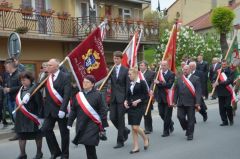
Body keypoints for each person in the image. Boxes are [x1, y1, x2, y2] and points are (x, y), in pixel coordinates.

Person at [23, 59, 71, 159]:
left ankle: (65, 154)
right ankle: (55, 151)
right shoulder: (46, 76)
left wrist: (63, 109)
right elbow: (37, 85)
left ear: (56, 67)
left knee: (64, 133)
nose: (47, 67)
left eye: (49, 65)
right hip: (49, 109)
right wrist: (28, 94)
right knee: (45, 129)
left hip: (61, 109)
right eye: (47, 65)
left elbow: (67, 94)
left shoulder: (65, 76)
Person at [68, 75, 108, 159]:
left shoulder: (98, 95)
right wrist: (70, 122)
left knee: (90, 146)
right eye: (83, 82)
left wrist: (103, 126)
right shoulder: (78, 95)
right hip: (81, 124)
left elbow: (103, 110)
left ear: (92, 84)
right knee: (88, 147)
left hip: (93, 124)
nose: (84, 84)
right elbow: (73, 110)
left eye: (87, 82)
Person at [15, 71, 43, 159]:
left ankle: (39, 153)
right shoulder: (21, 89)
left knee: (37, 136)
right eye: (21, 80)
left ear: (30, 79)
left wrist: (40, 116)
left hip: (32, 116)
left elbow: (39, 103)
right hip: (21, 117)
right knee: (21, 136)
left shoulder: (35, 89)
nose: (23, 81)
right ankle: (22, 154)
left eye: (24, 79)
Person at [124, 68, 149, 154]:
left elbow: (146, 96)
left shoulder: (141, 83)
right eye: (128, 74)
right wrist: (125, 102)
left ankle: (145, 138)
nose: (129, 76)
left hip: (139, 107)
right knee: (133, 128)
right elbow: (127, 95)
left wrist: (138, 101)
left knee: (135, 127)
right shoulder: (130, 83)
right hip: (131, 107)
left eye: (130, 74)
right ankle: (136, 147)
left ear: (135, 74)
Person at [173, 65, 201, 140]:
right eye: (184, 69)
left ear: (190, 70)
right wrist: (174, 101)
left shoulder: (196, 79)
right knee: (180, 116)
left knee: (191, 119)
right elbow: (176, 91)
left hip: (191, 103)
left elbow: (198, 92)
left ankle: (190, 134)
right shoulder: (179, 79)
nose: (185, 71)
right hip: (181, 102)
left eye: (187, 69)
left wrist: (197, 102)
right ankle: (187, 128)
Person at [109, 51, 130, 148]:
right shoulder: (111, 69)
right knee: (112, 118)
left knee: (120, 120)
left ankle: (120, 141)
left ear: (121, 59)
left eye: (117, 58)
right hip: (113, 98)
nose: (115, 60)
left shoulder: (125, 70)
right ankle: (125, 130)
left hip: (122, 99)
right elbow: (106, 81)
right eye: (114, 58)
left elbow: (127, 86)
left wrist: (126, 99)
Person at [154, 61, 175, 137]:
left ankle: (166, 132)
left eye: (164, 65)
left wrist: (159, 83)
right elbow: (154, 84)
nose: (162, 67)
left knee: (167, 115)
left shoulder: (171, 74)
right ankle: (170, 123)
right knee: (161, 114)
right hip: (160, 97)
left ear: (168, 66)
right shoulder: (158, 74)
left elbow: (169, 85)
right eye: (161, 65)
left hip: (168, 97)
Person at [212, 60, 234, 126]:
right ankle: (224, 121)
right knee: (221, 108)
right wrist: (213, 83)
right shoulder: (218, 71)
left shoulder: (231, 71)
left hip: (228, 92)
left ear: (227, 64)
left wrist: (219, 83)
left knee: (228, 106)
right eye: (222, 64)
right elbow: (214, 78)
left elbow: (229, 81)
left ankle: (231, 119)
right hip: (220, 92)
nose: (223, 65)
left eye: (224, 64)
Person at [139, 61, 155, 134]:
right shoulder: (138, 74)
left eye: (142, 65)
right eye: (140, 65)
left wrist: (151, 89)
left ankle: (148, 128)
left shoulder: (151, 73)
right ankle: (150, 127)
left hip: (148, 95)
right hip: (140, 96)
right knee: (143, 112)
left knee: (146, 112)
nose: (140, 67)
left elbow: (152, 82)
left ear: (146, 66)